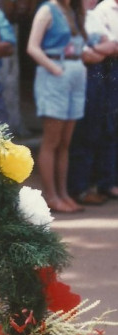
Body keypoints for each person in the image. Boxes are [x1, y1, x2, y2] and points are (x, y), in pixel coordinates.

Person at [27, 0, 93, 212]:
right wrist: (54, 69)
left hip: (76, 73)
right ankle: (51, 196)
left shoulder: (73, 10)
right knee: (52, 140)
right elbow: (32, 47)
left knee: (66, 141)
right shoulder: (48, 10)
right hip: (56, 73)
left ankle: (63, 194)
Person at [68, 0, 118, 203]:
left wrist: (96, 51)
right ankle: (79, 188)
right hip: (85, 76)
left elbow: (111, 45)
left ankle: (90, 185)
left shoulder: (91, 16)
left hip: (98, 76)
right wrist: (100, 50)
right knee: (83, 132)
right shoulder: (79, 16)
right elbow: (83, 54)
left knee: (97, 129)